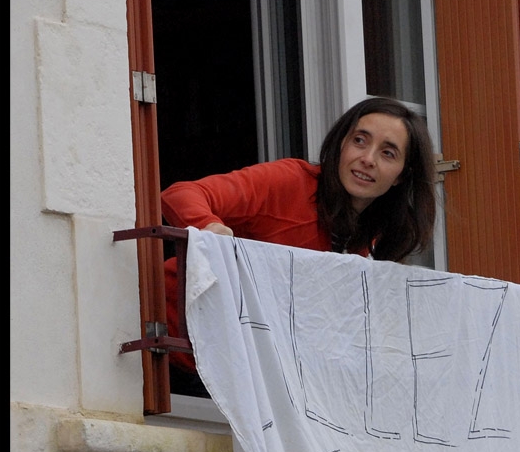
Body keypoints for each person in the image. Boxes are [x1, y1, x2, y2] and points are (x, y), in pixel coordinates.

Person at [160, 96, 437, 395]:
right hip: (162, 347)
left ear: (401, 176)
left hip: (233, 375)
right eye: (359, 140)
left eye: (387, 153)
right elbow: (179, 194)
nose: (368, 159)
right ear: (341, 144)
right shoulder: (290, 182)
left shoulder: (368, 242)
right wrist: (211, 228)